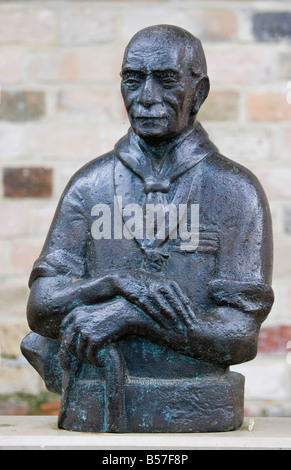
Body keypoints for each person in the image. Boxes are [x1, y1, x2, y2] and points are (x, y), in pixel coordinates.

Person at [22, 25, 274, 432]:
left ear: (200, 92)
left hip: (199, 408)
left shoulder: (235, 191)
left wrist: (133, 316)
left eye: (167, 80)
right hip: (96, 403)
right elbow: (42, 308)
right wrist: (118, 282)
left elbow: (241, 336)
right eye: (133, 80)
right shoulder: (90, 185)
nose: (146, 97)